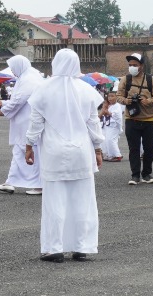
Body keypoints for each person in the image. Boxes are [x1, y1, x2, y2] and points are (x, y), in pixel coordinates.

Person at [24, 48, 105, 262]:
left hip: (53, 151)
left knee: (54, 201)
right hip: (81, 150)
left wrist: (29, 145)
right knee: (83, 200)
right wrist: (98, 149)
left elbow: (35, 124)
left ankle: (54, 248)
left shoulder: (43, 90)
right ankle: (82, 246)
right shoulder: (86, 90)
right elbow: (93, 123)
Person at [0, 55, 43, 195]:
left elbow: (20, 99)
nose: (13, 71)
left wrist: (4, 110)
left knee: (29, 152)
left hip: (28, 121)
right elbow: (18, 98)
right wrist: (3, 103)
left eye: (13, 68)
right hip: (25, 121)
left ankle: (39, 185)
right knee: (20, 152)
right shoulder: (28, 76)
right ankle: (10, 182)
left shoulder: (29, 79)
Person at [121, 53, 153, 185]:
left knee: (149, 148)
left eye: (135, 65)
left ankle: (147, 174)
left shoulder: (151, 80)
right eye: (130, 65)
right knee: (133, 149)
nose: (132, 67)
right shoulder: (125, 80)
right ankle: (135, 175)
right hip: (131, 119)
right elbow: (117, 96)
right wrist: (126, 100)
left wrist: (148, 101)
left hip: (149, 119)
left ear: (142, 66)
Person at [101, 92, 125, 163]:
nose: (110, 98)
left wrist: (107, 112)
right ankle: (110, 155)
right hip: (108, 125)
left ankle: (117, 155)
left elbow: (117, 116)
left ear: (116, 97)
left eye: (112, 96)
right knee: (107, 140)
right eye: (109, 96)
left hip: (114, 126)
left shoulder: (117, 105)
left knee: (111, 140)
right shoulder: (110, 106)